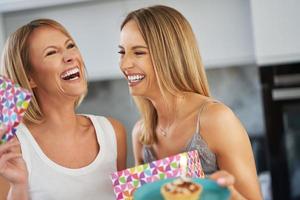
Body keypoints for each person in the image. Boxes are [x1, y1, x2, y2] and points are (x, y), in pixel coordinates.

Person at [118, 5, 262, 200]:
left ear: (169, 55)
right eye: (122, 52)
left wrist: (229, 193)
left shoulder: (216, 120)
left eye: (139, 52)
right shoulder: (141, 134)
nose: (124, 64)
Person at [0, 19, 127, 200]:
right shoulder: (12, 149)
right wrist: (18, 186)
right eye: (51, 52)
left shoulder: (113, 132)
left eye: (70, 46)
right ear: (29, 79)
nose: (70, 56)